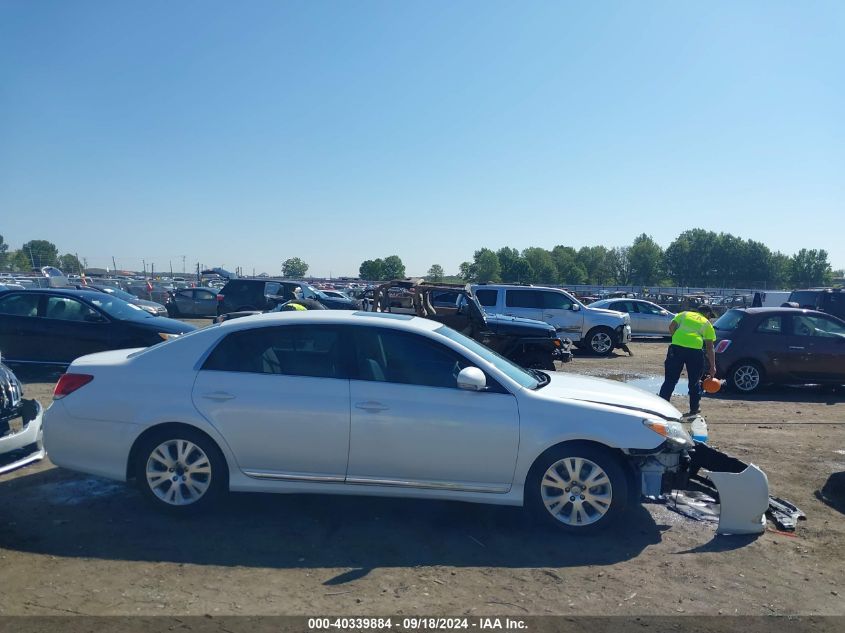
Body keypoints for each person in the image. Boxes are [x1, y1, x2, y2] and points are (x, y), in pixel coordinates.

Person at [658, 306, 717, 416]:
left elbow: (671, 326)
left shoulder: (684, 314)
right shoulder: (706, 323)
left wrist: (676, 338)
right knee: (694, 382)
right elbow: (710, 347)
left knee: (670, 380)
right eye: (710, 317)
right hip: (694, 352)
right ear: (707, 314)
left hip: (676, 348)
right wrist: (712, 366)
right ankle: (694, 409)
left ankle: (662, 407)